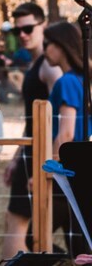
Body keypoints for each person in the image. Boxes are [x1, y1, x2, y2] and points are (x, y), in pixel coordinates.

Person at [2, 2, 62, 259]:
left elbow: (63, 116)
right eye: (18, 31)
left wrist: (47, 162)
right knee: (27, 232)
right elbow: (31, 123)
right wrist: (16, 158)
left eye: (28, 28)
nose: (23, 35)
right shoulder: (36, 64)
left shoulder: (49, 67)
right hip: (29, 156)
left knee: (17, 228)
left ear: (43, 25)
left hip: (42, 158)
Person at [41, 21, 92, 256]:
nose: (44, 50)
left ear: (61, 46)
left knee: (37, 237)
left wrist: (50, 172)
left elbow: (66, 132)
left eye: (47, 44)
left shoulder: (68, 81)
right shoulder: (84, 80)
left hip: (67, 175)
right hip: (81, 170)